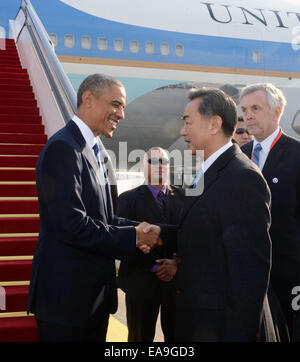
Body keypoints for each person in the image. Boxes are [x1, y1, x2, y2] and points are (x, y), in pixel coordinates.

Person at [27, 73, 161, 342]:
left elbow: (105, 218)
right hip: (66, 302)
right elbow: (71, 225)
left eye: (123, 107)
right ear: (88, 99)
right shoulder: (63, 148)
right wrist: (135, 237)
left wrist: (146, 229)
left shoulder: (97, 151)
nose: (121, 114)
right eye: (115, 104)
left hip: (92, 302)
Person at [153, 87, 276, 342]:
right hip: (198, 321)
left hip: (221, 328)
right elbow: (201, 231)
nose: (182, 132)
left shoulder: (242, 179)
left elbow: (249, 275)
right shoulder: (206, 171)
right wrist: (160, 234)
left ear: (214, 124)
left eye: (188, 123)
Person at [240, 82, 300, 341]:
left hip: (289, 278)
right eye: (244, 109)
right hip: (247, 277)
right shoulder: (237, 157)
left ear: (276, 113)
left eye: (256, 108)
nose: (248, 115)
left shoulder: (297, 155)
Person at [116, 147, 184, 342]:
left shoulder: (184, 199)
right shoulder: (128, 200)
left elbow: (190, 236)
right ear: (142, 167)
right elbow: (123, 241)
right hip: (141, 285)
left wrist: (176, 264)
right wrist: (156, 266)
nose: (159, 166)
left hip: (175, 285)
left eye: (164, 161)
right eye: (153, 161)